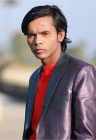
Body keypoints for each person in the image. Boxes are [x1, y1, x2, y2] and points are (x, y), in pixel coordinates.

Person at [21, 5, 96, 140]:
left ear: (60, 35)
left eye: (45, 34)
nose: (37, 41)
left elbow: (87, 136)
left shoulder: (81, 73)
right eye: (31, 35)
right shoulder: (34, 77)